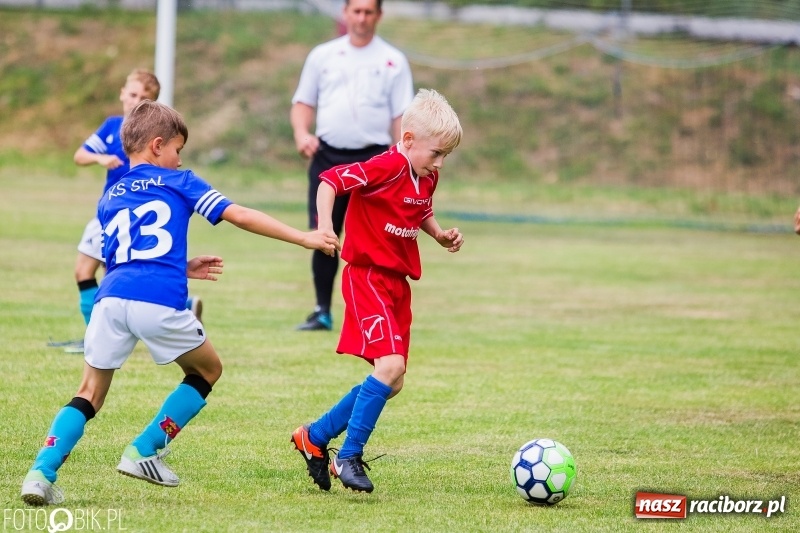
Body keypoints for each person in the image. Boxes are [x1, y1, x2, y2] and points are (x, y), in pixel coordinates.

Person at [21, 100, 340, 506]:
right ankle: (145, 449)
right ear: (157, 146)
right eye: (177, 149)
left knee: (88, 393)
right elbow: (239, 214)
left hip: (110, 300)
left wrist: (181, 266)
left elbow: (126, 255)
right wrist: (304, 237)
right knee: (208, 369)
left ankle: (40, 474)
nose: (180, 159)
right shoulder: (180, 181)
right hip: (158, 301)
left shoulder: (110, 195)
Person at [291, 88, 463, 493]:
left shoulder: (427, 174)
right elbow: (329, 181)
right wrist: (325, 226)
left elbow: (419, 208)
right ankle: (348, 456)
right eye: (436, 153)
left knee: (393, 379)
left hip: (397, 285)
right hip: (367, 277)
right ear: (408, 140)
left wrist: (438, 234)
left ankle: (314, 436)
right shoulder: (385, 165)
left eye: (445, 156)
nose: (440, 163)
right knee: (389, 368)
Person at [290, 0, 415, 331]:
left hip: (373, 163)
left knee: (373, 241)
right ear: (345, 13)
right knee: (324, 234)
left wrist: (401, 156)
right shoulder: (323, 56)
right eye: (356, 11)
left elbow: (401, 115)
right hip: (328, 158)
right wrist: (302, 134)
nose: (361, 18)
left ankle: (372, 312)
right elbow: (303, 102)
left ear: (379, 15)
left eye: (368, 12)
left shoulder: (393, 60)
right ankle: (322, 310)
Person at [63, 69, 201, 354]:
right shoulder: (112, 127)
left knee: (96, 273)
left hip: (130, 216)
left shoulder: (153, 138)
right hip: (110, 215)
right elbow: (79, 155)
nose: (136, 101)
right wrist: (101, 158)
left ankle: (95, 339)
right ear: (122, 94)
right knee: (98, 273)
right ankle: (180, 307)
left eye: (144, 98)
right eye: (133, 94)